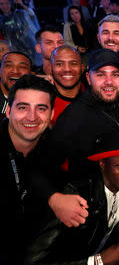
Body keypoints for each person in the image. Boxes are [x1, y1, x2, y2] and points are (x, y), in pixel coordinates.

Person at [27, 130, 119, 264]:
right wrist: (96, 261)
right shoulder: (76, 194)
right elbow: (32, 260)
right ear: (102, 164)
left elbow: (114, 243)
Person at [38, 48, 119, 228]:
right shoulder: (73, 118)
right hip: (90, 215)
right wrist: (55, 199)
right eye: (101, 74)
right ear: (88, 78)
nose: (109, 82)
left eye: (115, 74)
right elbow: (41, 170)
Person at [0, 74, 54, 264]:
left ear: (52, 114)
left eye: (41, 108)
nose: (32, 117)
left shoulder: (53, 152)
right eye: (23, 107)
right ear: (8, 111)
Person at [0, 0, 41, 66]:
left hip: (27, 46)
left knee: (30, 66)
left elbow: (32, 15)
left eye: (7, 3)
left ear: (11, 4)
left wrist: (22, 4)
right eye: (1, 4)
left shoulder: (20, 14)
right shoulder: (0, 19)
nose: (5, 6)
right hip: (11, 49)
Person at [49, 45, 85, 126]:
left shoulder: (94, 94)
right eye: (59, 64)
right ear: (51, 68)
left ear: (82, 68)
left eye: (73, 64)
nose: (67, 69)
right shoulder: (43, 97)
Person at [0, 52, 33, 117]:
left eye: (22, 67)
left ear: (31, 74)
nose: (15, 71)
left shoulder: (37, 98)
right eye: (9, 65)